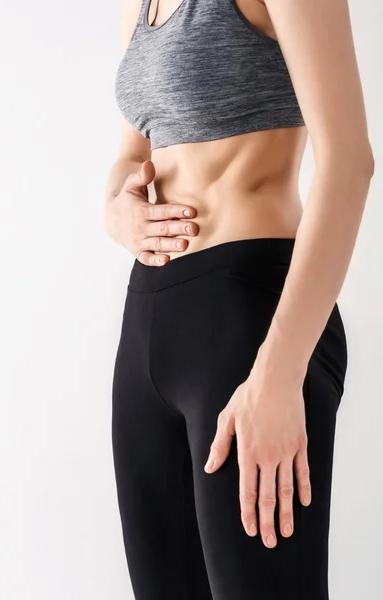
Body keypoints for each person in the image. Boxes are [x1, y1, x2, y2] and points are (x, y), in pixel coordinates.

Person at [104, 0, 374, 598]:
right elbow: (134, 152)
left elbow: (349, 161)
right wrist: (115, 208)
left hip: (249, 320)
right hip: (150, 318)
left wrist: (278, 377)